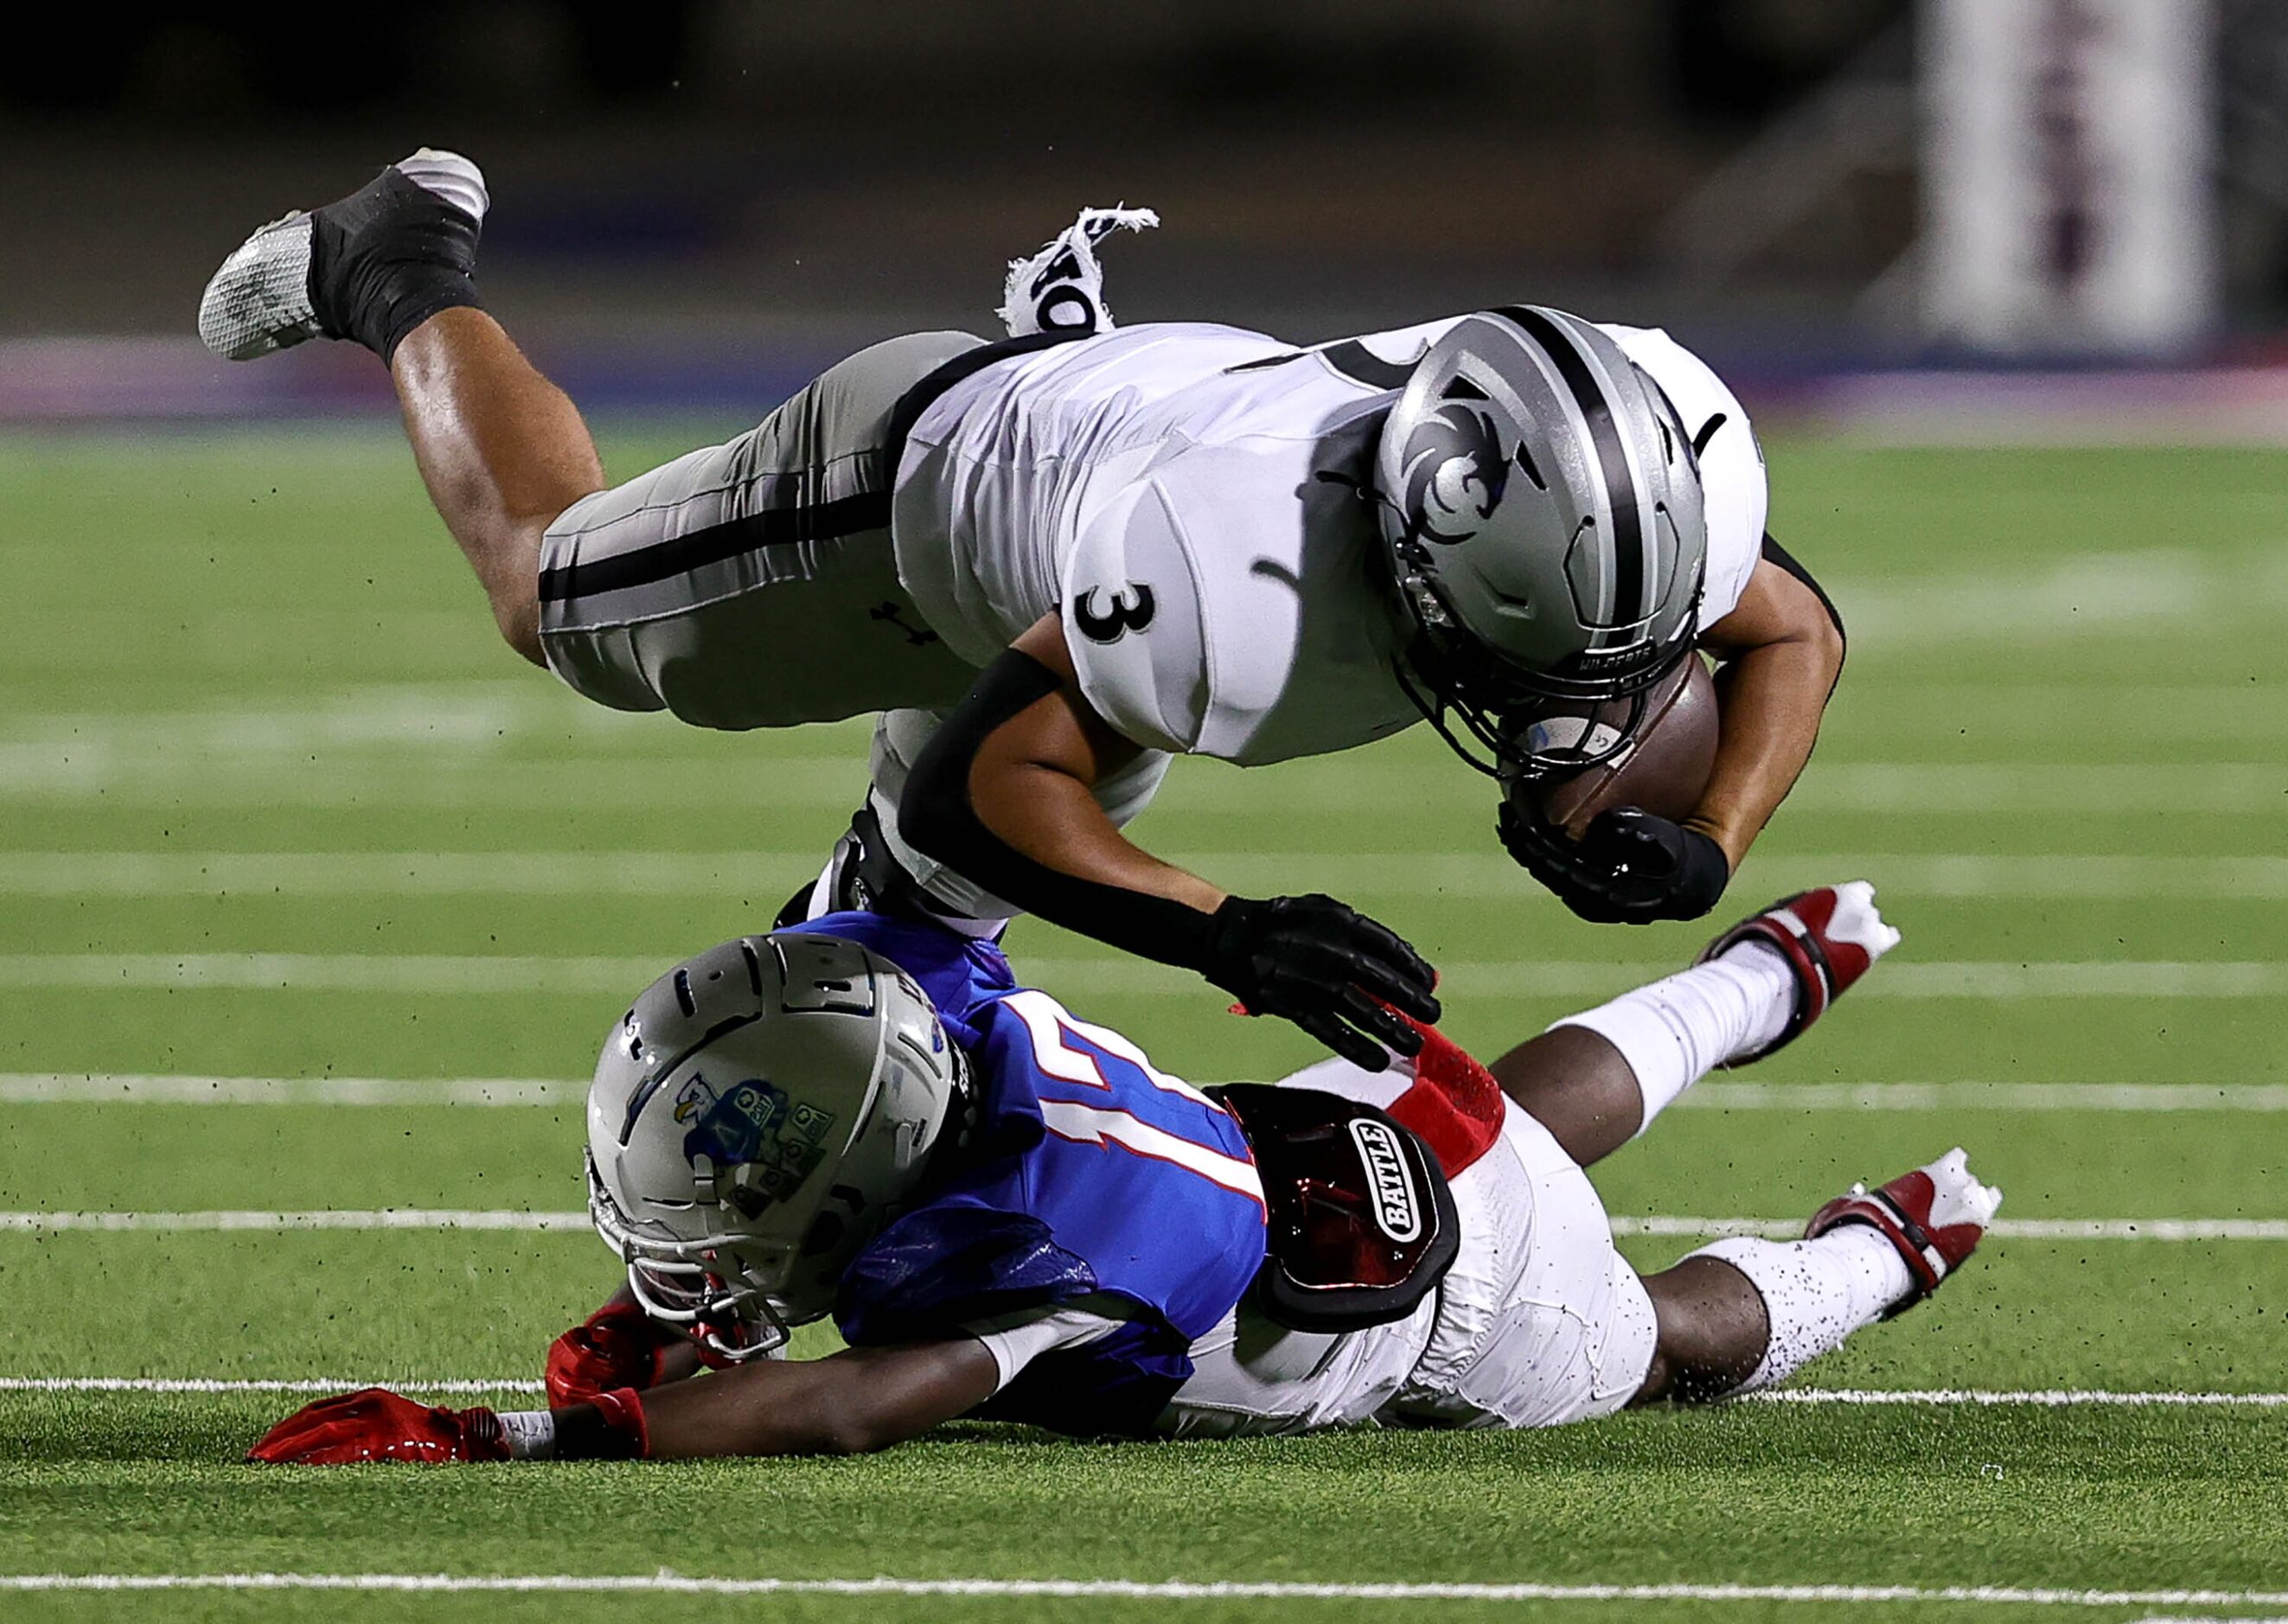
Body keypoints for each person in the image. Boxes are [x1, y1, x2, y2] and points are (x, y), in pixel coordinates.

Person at [199, 152, 1846, 1073]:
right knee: (544, 591)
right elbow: (982, 784)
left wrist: (1710, 837)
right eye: (1531, 659)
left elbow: (1793, 628)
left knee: (913, 948)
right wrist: (1230, 935)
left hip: (1098, 521)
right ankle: (392, 265)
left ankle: (736, 1213)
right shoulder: (1240, 579)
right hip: (902, 498)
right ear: (1423, 549)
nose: (1563, 713)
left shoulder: (1636, 469)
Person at [247, 881, 1998, 1465]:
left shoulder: (1035, 1257)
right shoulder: (930, 1005)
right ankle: (1773, 969)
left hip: (1433, 1317)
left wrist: (534, 1436)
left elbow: (860, 1401)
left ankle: (1879, 1251)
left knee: (1660, 1337)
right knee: (1509, 1123)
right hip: (1359, 1126)